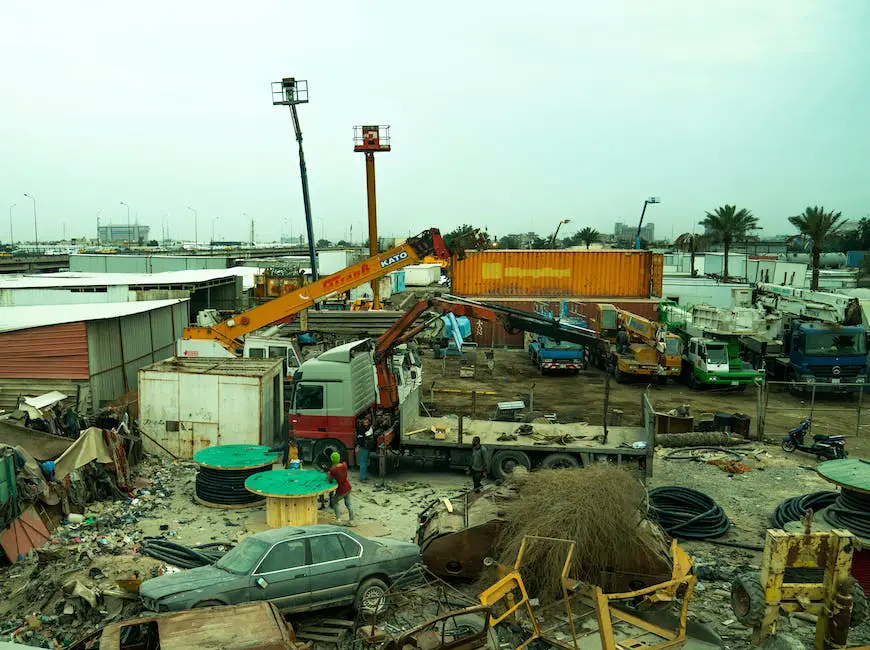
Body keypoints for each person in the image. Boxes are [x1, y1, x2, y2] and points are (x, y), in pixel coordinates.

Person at [326, 451, 355, 525]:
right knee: (349, 504)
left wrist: (328, 473)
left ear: (332, 459)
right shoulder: (344, 465)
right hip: (348, 487)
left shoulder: (333, 470)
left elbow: (330, 479)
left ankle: (338, 519)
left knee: (334, 501)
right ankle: (352, 521)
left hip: (342, 489)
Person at [355, 415, 376, 481]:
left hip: (366, 447)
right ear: (362, 422)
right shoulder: (361, 429)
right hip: (363, 447)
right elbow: (367, 434)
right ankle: (362, 478)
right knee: (363, 463)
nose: (367, 422)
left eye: (367, 421)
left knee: (365, 462)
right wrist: (357, 446)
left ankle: (364, 476)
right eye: (365, 421)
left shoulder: (365, 428)